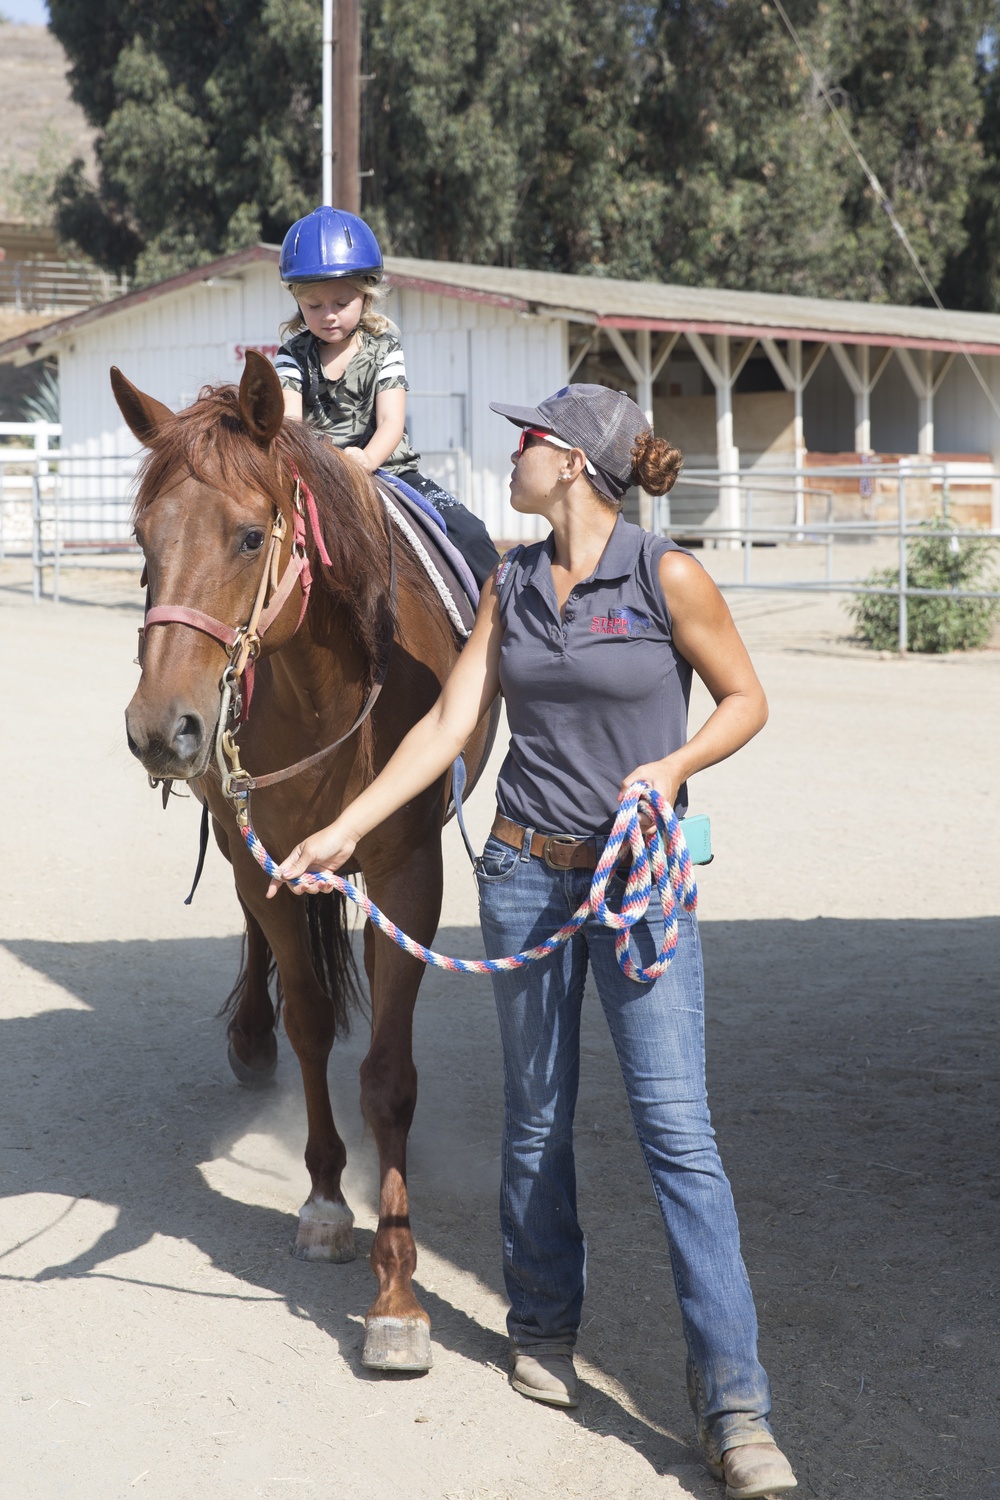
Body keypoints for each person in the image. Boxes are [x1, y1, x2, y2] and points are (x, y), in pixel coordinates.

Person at [267, 383, 797, 1499]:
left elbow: (745, 699)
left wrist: (673, 767)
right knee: (538, 1119)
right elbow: (452, 723)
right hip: (521, 875)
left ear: (573, 463)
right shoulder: (509, 581)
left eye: (529, 440)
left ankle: (735, 1406)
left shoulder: (666, 576)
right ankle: (544, 1331)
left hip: (636, 883)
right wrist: (346, 828)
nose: (511, 453)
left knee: (677, 1136)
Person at [273, 205, 498, 586]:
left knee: (470, 534)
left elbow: (392, 422)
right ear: (298, 303)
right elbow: (290, 424)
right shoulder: (291, 356)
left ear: (366, 296)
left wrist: (364, 460)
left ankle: (502, 628)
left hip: (387, 468)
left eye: (341, 303)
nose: (328, 315)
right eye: (314, 305)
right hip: (314, 474)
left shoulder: (384, 348)